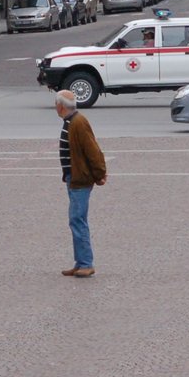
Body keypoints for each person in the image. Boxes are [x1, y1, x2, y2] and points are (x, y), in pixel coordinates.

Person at [54, 90, 107, 277]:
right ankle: (80, 262)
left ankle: (86, 263)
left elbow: (92, 149)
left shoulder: (78, 123)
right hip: (73, 178)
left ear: (60, 106)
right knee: (76, 219)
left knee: (78, 220)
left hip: (80, 179)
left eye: (55, 104)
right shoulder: (71, 122)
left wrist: (100, 173)